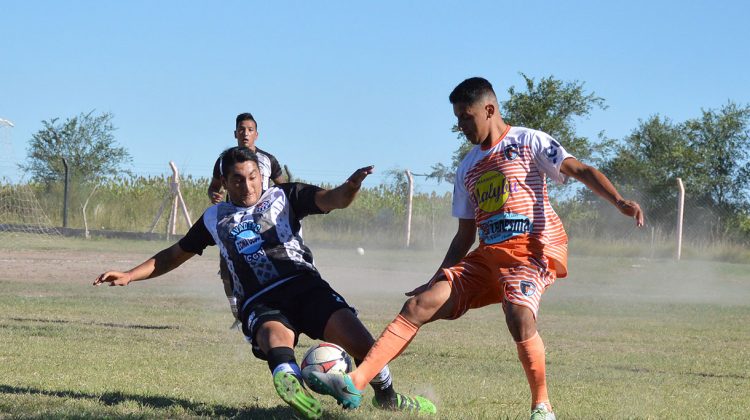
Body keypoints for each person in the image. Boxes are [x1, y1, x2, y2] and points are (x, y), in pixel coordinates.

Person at [309, 77, 645, 420]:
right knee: (419, 305)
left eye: (466, 117)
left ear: (489, 109)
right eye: (457, 119)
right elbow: (464, 235)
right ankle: (356, 381)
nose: (461, 126)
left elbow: (580, 169)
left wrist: (618, 201)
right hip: (488, 256)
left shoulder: (528, 141)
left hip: (532, 251)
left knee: (518, 316)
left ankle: (542, 406)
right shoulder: (467, 167)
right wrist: (435, 277)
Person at [94, 147, 435, 419]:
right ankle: (289, 380)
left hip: (304, 285)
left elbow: (331, 200)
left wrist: (350, 189)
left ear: (262, 175)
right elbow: (174, 255)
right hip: (259, 299)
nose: (248, 186)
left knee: (365, 347)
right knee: (274, 337)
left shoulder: (284, 196)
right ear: (225, 183)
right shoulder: (214, 219)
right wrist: (129, 275)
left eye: (253, 177)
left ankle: (388, 399)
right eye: (238, 180)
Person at [207, 113, 285, 323]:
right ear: (235, 133)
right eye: (241, 129)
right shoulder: (225, 161)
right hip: (233, 220)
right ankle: (237, 310)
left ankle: (272, 308)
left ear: (257, 134)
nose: (245, 133)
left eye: (250, 130)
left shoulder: (268, 159)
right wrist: (214, 194)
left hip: (264, 222)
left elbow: (283, 187)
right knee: (227, 267)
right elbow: (214, 187)